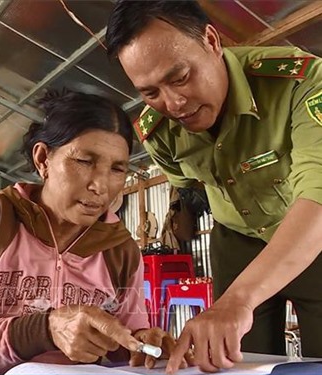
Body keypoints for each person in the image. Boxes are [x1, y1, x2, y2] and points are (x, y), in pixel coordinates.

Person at [106, 0, 322, 373]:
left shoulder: (300, 81)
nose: (174, 104)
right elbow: (190, 187)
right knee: (241, 362)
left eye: (180, 77)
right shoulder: (157, 132)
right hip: (235, 239)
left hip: (310, 232)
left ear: (211, 40)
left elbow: (318, 194)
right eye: (150, 92)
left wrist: (237, 299)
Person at [0, 89, 193, 374]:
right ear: (43, 159)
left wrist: (142, 343)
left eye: (117, 169)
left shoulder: (121, 250)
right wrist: (45, 328)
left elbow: (125, 345)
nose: (101, 186)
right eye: (84, 161)